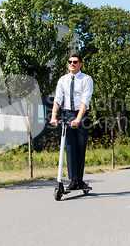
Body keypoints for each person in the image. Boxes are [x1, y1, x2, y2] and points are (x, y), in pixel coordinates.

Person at [50, 53, 93, 190]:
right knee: (69, 148)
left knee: (80, 148)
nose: (72, 64)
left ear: (80, 64)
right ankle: (73, 180)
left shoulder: (87, 79)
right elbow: (58, 99)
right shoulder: (62, 80)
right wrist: (53, 116)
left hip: (82, 115)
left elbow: (84, 101)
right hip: (67, 114)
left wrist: (78, 119)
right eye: (70, 61)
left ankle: (79, 180)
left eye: (75, 62)